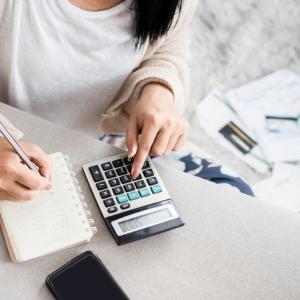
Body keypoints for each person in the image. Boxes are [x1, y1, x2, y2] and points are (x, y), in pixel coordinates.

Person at [0, 0, 253, 201]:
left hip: (109, 142)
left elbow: (169, 45)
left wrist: (158, 90)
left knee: (236, 199)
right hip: (15, 148)